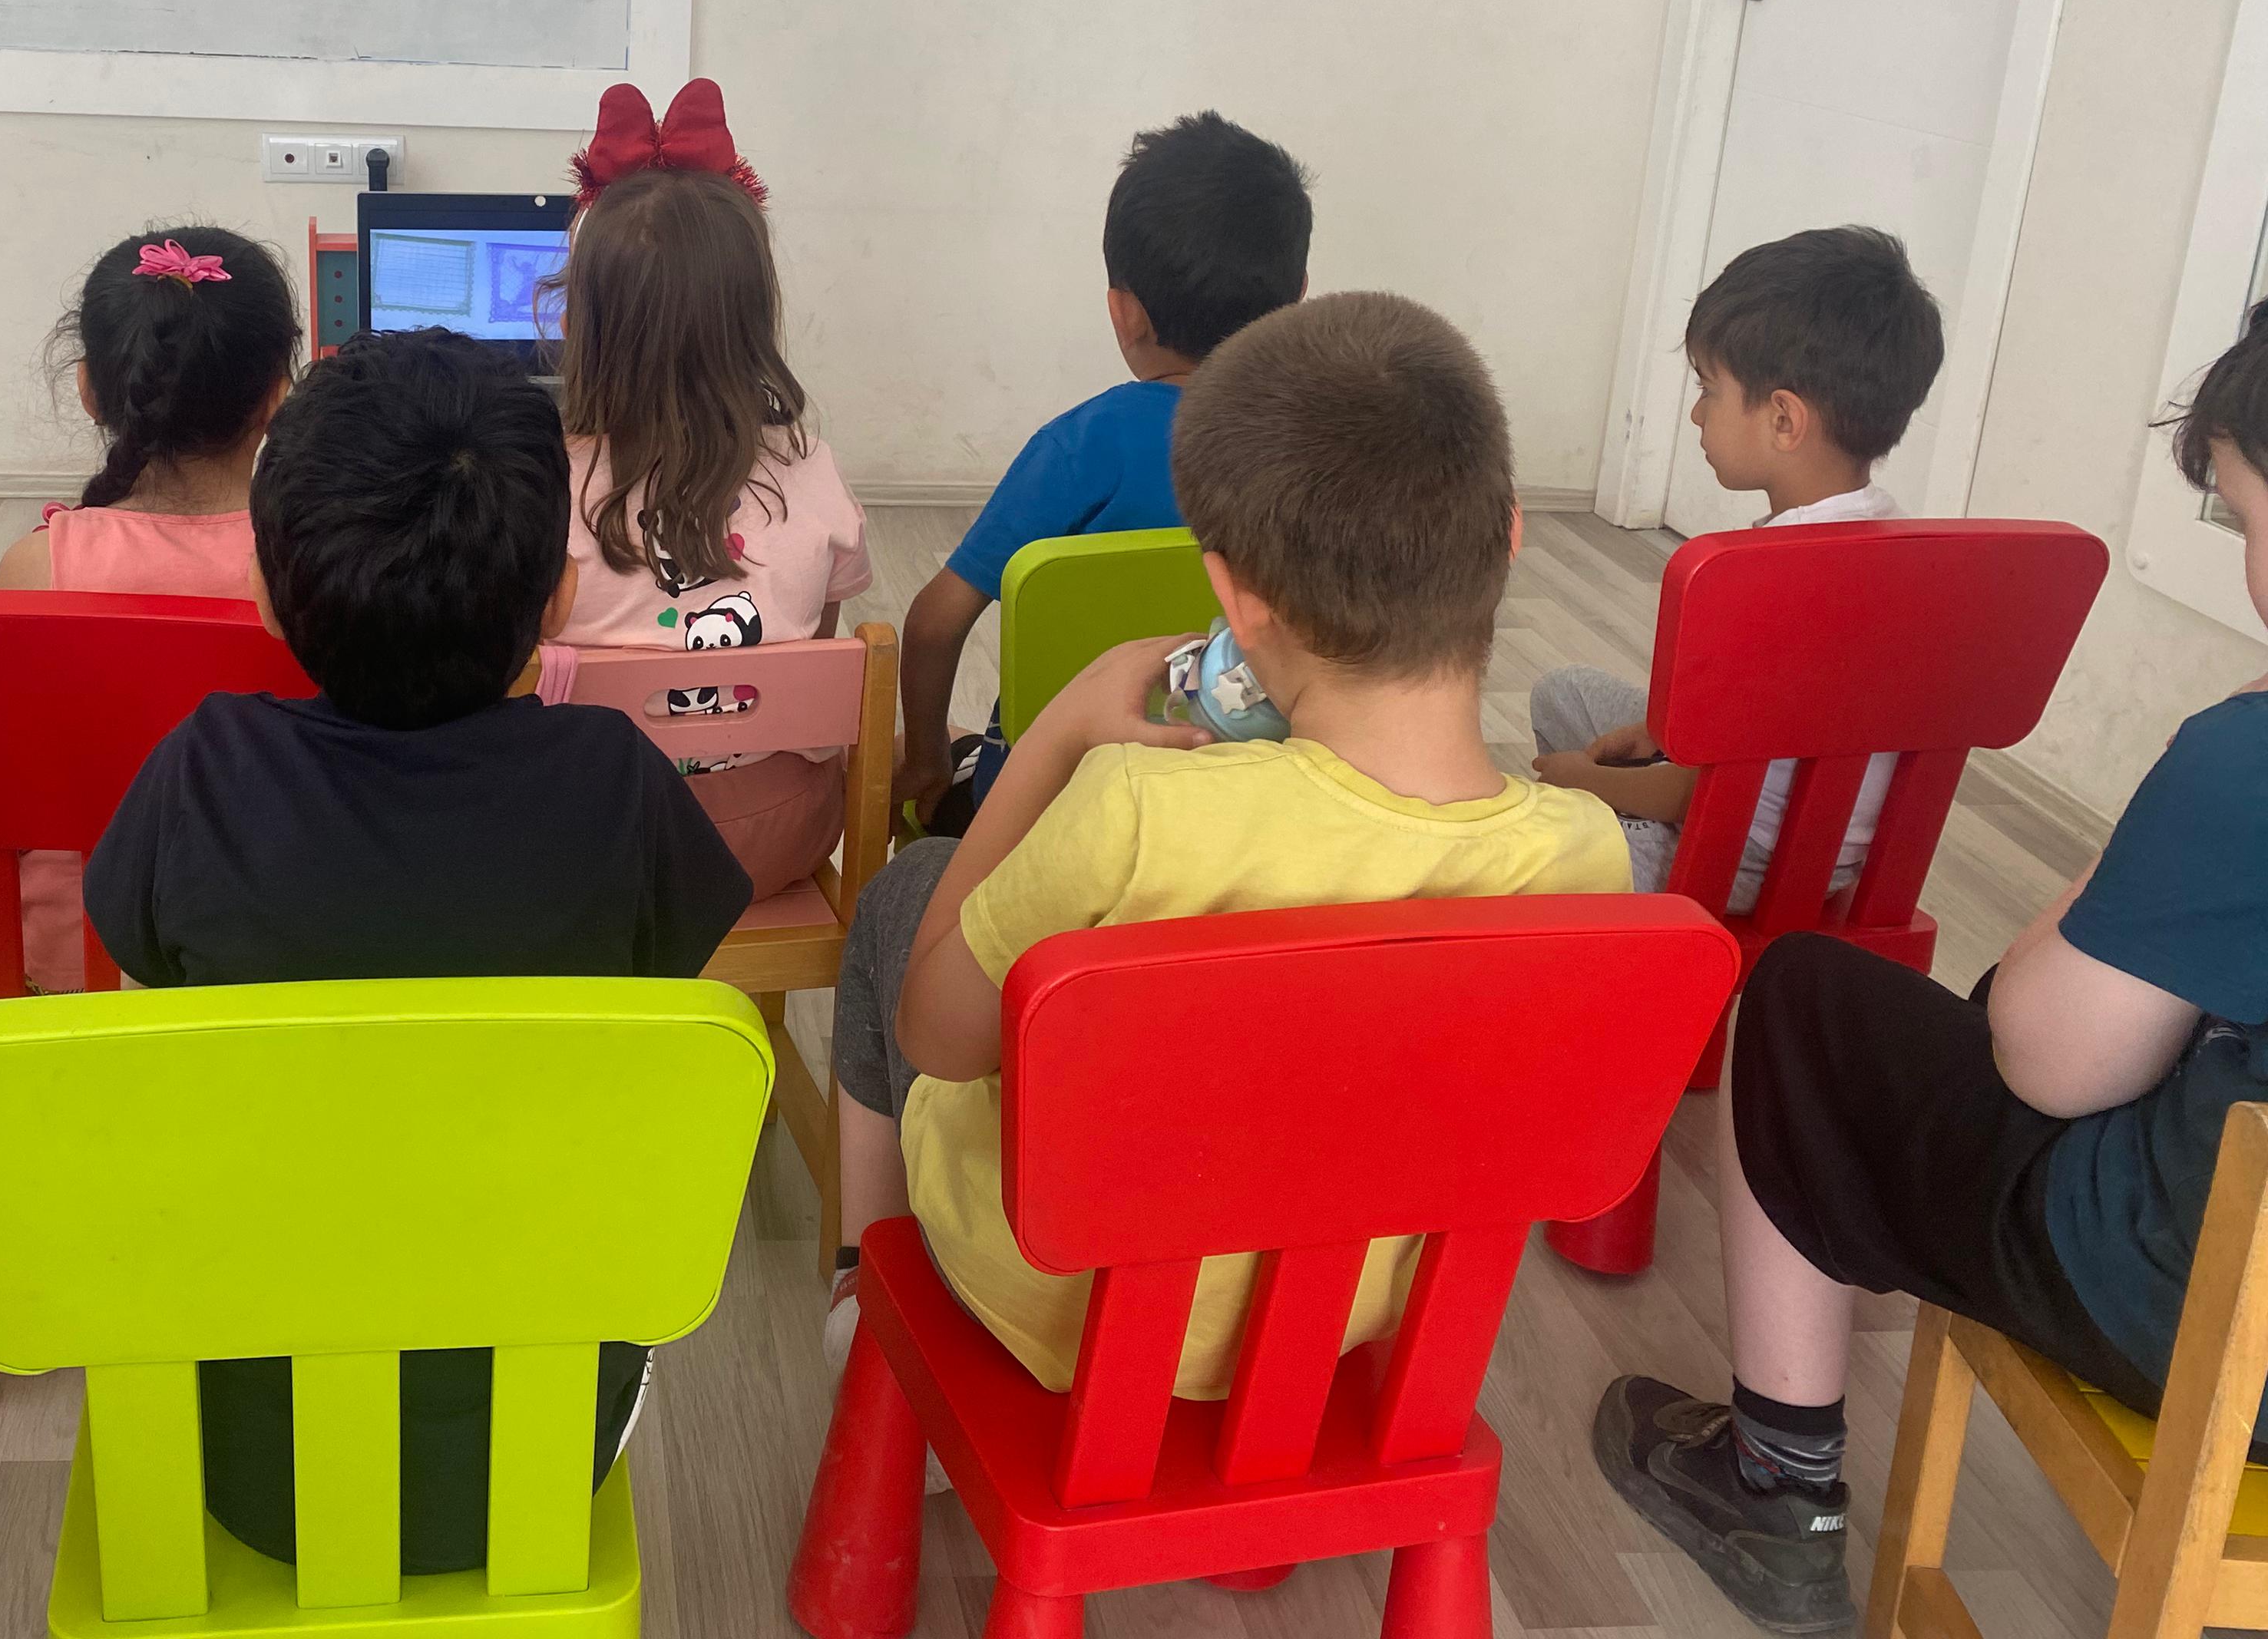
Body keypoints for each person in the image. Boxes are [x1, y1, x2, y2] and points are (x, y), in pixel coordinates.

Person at [1598, 301, 2268, 1637]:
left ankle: (1776, 1482)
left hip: (2204, 1321)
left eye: (2247, 519)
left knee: (1800, 998)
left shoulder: (2241, 767)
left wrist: (2092, 886)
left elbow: (2050, 1062)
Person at [829, 292, 1628, 1385]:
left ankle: (861, 1287)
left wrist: (1058, 730)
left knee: (906, 889)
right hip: (1349, 1314)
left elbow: (937, 1039)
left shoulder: (1137, 810)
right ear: (1513, 537)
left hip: (1063, 1304)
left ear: (1234, 601)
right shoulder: (1589, 856)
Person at [84, 325, 752, 1575]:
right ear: (557, 597)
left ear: (266, 590)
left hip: (243, 1459)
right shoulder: (615, 781)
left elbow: (147, 1078)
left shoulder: (201, 774)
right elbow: (652, 1074)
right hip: (540, 1447)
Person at [893, 112, 1311, 835]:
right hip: (1247, 800)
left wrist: (926, 758)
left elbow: (934, 624)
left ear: (1126, 315)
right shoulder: (1335, 448)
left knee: (915, 760)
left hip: (1052, 802)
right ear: (1298, 295)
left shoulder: (1083, 446)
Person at [1530, 226, 1944, 911]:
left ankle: (1654, 919)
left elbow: (1706, 793)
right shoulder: (1911, 549)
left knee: (1534, 844)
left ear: (1784, 419)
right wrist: (1661, 733)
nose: (1697, 413)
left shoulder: (1754, 580)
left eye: (1709, 389)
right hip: (1835, 852)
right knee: (1566, 692)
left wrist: (1586, 784)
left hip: (1740, 858)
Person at [549, 81, 873, 898]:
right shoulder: (812, 470)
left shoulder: (543, 487)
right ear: (755, 318)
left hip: (593, 840)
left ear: (582, 326)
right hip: (772, 836)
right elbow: (816, 649)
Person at [0, 226, 302, 991]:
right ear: (278, 395)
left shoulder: (37, 570)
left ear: (88, 389)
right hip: (278, 954)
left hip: (74, 962)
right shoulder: (321, 563)